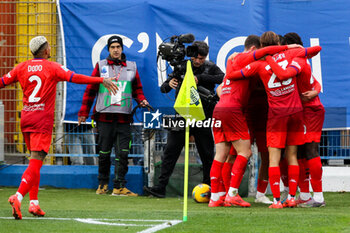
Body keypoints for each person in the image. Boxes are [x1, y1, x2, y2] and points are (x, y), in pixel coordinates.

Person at [1, 36, 118, 220]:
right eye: (48, 46)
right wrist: (100, 80)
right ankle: (18, 196)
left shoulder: (21, 67)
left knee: (34, 160)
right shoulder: (52, 67)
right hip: (42, 120)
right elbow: (75, 77)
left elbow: (2, 82)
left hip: (26, 118)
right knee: (36, 160)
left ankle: (34, 203)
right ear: (46, 50)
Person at [225, 31, 322, 208]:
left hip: (275, 116)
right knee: (292, 155)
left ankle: (275, 200)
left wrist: (232, 59)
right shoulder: (291, 55)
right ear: (278, 42)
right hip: (295, 112)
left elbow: (231, 76)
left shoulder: (257, 63)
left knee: (272, 158)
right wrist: (298, 49)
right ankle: (292, 197)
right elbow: (316, 49)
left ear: (262, 46)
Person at [209, 35, 299, 207]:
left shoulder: (236, 61)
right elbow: (222, 87)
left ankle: (221, 196)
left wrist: (225, 98)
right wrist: (290, 48)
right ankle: (229, 193)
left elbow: (223, 86)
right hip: (241, 113)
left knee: (258, 154)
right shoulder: (246, 60)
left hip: (244, 112)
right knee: (238, 154)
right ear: (253, 50)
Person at [144, 41, 224, 198]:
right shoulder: (182, 65)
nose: (198, 61)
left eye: (202, 58)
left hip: (202, 116)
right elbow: (164, 88)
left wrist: (199, 78)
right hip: (182, 116)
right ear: (192, 55)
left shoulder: (210, 66)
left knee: (207, 154)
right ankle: (160, 188)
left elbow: (221, 78)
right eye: (196, 58)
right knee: (170, 152)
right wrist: (170, 83)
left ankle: (210, 189)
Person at [78, 35, 149, 196]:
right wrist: (83, 112)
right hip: (104, 117)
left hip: (124, 118)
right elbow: (90, 90)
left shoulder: (131, 66)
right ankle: (102, 184)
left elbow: (137, 89)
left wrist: (142, 100)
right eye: (112, 47)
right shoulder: (101, 65)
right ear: (108, 49)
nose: (116, 50)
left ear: (122, 48)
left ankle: (119, 186)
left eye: (118, 47)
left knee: (123, 153)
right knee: (104, 153)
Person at [267, 32, 325, 207]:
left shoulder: (298, 62)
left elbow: (285, 75)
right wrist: (316, 89)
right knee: (297, 153)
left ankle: (319, 198)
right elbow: (315, 82)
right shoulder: (300, 61)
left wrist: (268, 58)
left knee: (310, 151)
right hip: (299, 111)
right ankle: (305, 195)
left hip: (310, 110)